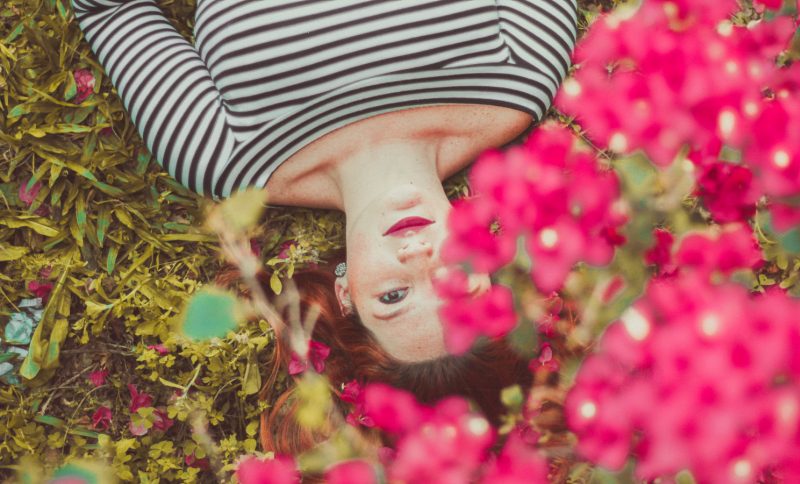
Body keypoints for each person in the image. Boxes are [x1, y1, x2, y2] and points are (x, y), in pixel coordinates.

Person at [72, 0, 577, 455]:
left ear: (346, 294)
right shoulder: (520, 78)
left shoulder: (223, 158)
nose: (420, 256)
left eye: (395, 297)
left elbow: (109, 11)